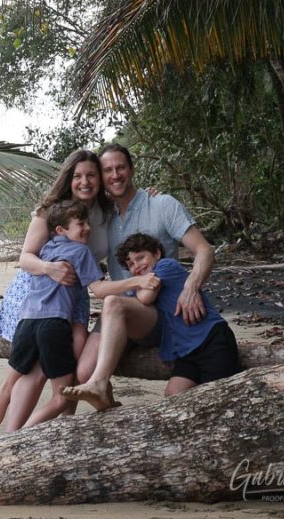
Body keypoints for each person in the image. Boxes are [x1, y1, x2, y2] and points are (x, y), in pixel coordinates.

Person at [63, 143, 216, 409]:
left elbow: (204, 250)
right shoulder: (103, 217)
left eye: (120, 168)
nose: (115, 175)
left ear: (132, 170)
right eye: (107, 170)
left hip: (157, 312)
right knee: (84, 371)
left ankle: (99, 384)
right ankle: (114, 415)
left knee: (112, 303)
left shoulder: (162, 204)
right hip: (120, 311)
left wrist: (191, 287)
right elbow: (67, 227)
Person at [0, 201, 158, 431]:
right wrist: (137, 280)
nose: (88, 228)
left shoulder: (47, 248)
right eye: (81, 224)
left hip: (26, 322)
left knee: (8, 386)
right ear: (61, 229)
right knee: (61, 398)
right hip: (54, 324)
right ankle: (16, 436)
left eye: (88, 222)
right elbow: (98, 289)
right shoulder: (81, 250)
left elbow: (27, 259)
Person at [0, 150, 112, 435]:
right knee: (35, 371)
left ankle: (59, 431)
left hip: (74, 295)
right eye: (77, 176)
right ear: (69, 178)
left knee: (72, 359)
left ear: (100, 179)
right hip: (38, 291)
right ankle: (10, 436)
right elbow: (26, 257)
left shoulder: (106, 212)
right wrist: (50, 269)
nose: (85, 182)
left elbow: (133, 206)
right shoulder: (52, 210)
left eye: (91, 175)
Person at [71, 233, 239, 406]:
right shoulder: (145, 280)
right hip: (187, 352)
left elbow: (145, 298)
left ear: (157, 254)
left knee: (219, 402)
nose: (137, 266)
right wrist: (138, 282)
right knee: (173, 396)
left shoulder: (166, 266)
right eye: (130, 264)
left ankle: (99, 381)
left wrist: (137, 282)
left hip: (212, 340)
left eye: (141, 257)